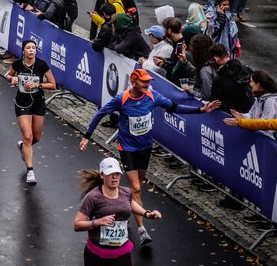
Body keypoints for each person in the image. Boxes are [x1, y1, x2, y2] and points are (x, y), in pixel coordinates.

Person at [80, 69, 219, 243]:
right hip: (127, 147)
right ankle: (142, 229)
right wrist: (87, 136)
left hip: (145, 147)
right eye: (144, 82)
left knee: (139, 186)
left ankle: (128, 204)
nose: (147, 84)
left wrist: (201, 110)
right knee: (136, 187)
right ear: (134, 82)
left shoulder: (153, 96)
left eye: (148, 81)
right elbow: (100, 113)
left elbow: (174, 107)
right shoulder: (121, 99)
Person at [73, 158, 162, 266]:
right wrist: (97, 222)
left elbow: (130, 204)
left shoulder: (125, 192)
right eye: (110, 174)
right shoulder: (93, 197)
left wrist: (147, 214)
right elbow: (77, 225)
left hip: (121, 253)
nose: (114, 177)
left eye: (117, 173)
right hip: (97, 254)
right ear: (102, 175)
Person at [5, 39, 55, 184]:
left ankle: (22, 146)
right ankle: (30, 171)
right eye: (28, 48)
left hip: (38, 103)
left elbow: (53, 84)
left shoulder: (41, 65)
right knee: (28, 136)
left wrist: (38, 84)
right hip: (22, 103)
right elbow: (8, 75)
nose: (31, 50)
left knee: (36, 137)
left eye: (34, 48)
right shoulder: (17, 64)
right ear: (23, 51)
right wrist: (12, 79)